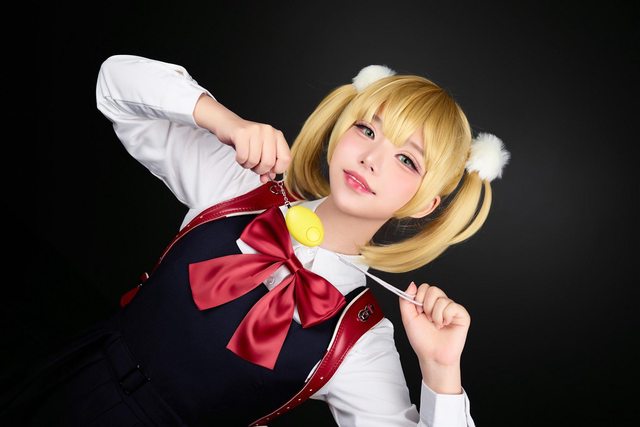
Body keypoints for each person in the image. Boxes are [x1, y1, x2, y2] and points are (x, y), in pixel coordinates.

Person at [2, 54, 509, 426]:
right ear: (340, 131)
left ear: (424, 204)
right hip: (67, 380)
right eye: (367, 131)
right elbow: (115, 84)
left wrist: (441, 371)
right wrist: (221, 120)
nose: (371, 159)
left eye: (406, 160)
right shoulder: (240, 184)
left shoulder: (360, 342)